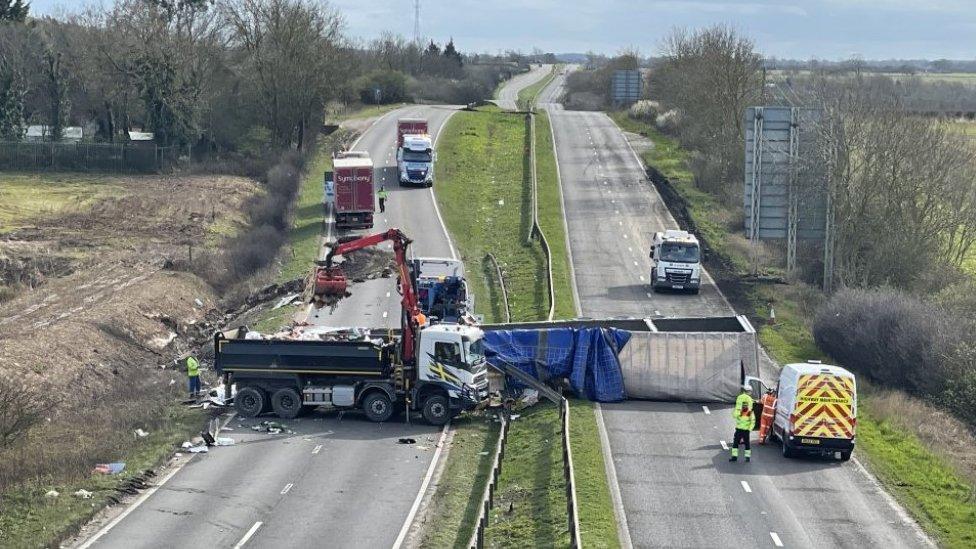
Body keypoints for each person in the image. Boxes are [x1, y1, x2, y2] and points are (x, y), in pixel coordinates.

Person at [730, 383, 755, 462]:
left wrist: (739, 412)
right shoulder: (749, 411)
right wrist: (749, 429)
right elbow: (753, 421)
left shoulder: (740, 400)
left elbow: (734, 415)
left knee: (735, 443)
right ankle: (747, 458)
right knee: (747, 444)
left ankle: (734, 457)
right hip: (746, 430)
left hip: (739, 429)